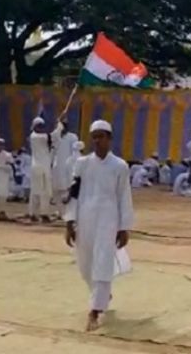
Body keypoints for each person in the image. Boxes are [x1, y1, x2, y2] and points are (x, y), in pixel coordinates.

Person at [64, 119, 134, 332]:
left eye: (101, 136)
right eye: (94, 136)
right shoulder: (82, 164)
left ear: (109, 138)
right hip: (85, 218)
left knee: (103, 262)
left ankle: (95, 310)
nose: (97, 140)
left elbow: (124, 197)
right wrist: (69, 222)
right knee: (86, 265)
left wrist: (124, 227)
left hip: (108, 220)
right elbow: (73, 194)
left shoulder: (120, 166)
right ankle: (101, 293)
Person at [29, 117, 63, 223]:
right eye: (39, 126)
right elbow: (54, 135)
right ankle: (43, 214)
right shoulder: (38, 137)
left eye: (42, 125)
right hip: (41, 168)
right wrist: (59, 124)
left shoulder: (35, 136)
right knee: (44, 192)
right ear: (34, 127)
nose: (41, 128)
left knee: (36, 191)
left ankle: (33, 214)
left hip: (37, 167)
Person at [53, 121, 79, 205]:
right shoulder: (56, 137)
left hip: (68, 164)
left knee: (67, 186)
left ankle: (66, 209)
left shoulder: (72, 137)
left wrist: (72, 163)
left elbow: (75, 151)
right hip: (57, 164)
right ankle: (59, 209)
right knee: (57, 187)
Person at [0, 138, 15, 221]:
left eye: (1, 144)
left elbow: (10, 165)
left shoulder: (7, 155)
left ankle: (1, 211)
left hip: (3, 176)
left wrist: (0, 166)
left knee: (3, 195)